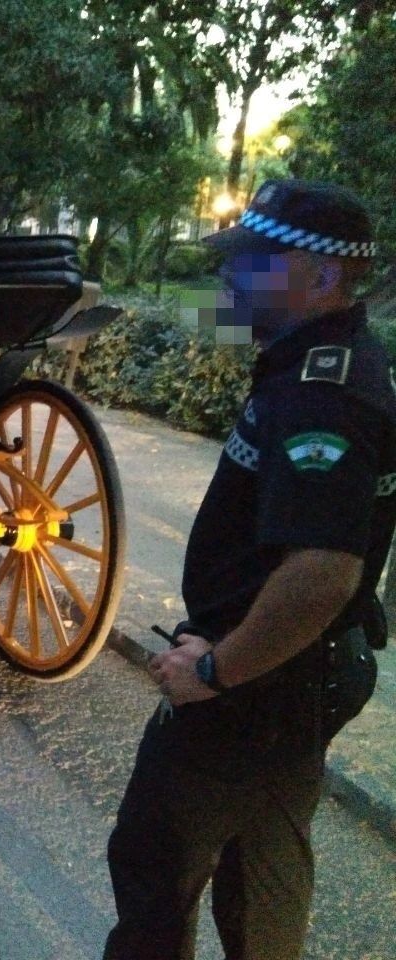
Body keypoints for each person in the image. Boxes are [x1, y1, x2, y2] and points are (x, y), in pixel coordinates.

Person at [103, 179, 394, 960]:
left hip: (255, 684)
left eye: (257, 261)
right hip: (299, 676)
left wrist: (217, 670)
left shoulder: (322, 397)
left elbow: (325, 570)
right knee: (264, 864)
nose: (232, 276)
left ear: (325, 278)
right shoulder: (315, 363)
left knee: (155, 866)